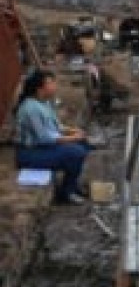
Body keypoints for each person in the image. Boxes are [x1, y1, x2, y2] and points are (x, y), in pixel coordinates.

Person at [14, 70, 92, 205]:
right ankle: (67, 193)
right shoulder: (31, 109)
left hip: (43, 147)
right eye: (50, 82)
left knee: (82, 144)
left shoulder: (44, 102)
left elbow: (55, 126)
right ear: (39, 88)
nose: (55, 85)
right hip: (30, 153)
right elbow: (45, 138)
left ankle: (71, 186)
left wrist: (73, 131)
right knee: (76, 152)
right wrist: (73, 138)